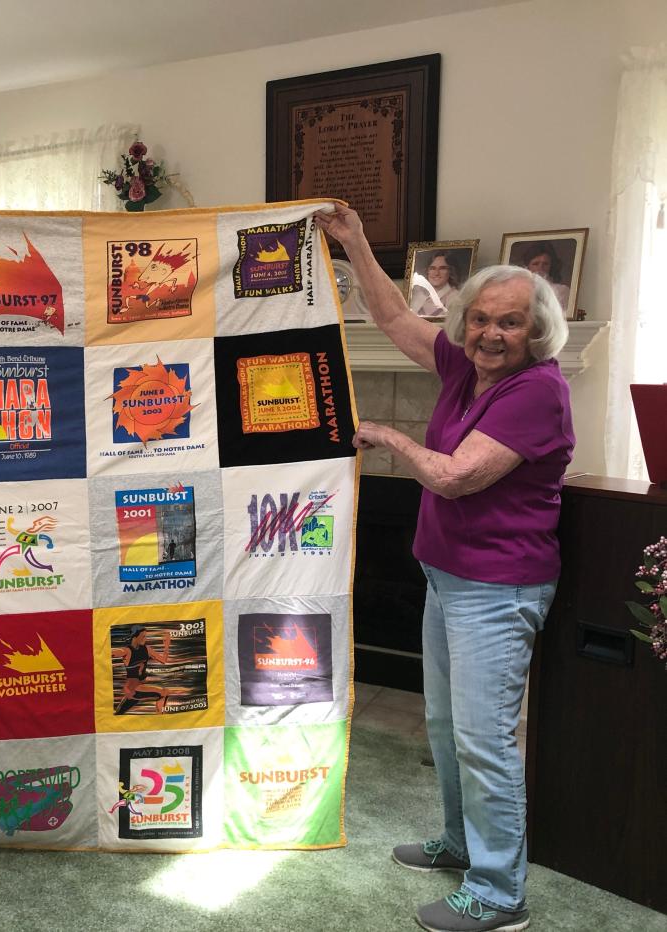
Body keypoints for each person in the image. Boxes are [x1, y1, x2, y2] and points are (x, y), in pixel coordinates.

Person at [315, 203, 573, 932]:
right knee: (444, 725)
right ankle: (461, 844)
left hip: (499, 588)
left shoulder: (538, 390)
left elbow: (458, 477)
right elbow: (396, 318)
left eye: (511, 322)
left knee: (484, 737)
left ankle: (499, 893)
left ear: (536, 331)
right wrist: (357, 242)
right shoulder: (469, 368)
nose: (492, 333)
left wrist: (389, 436)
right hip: (447, 576)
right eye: (482, 318)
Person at [518, 242, 571, 313]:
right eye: (535, 264)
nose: (540, 268)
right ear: (527, 266)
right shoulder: (519, 290)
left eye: (545, 264)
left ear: (551, 266)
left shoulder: (562, 290)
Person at [410, 251, 463, 316]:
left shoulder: (455, 298)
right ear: (427, 271)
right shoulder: (417, 294)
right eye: (432, 268)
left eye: (442, 268)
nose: (436, 273)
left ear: (450, 271)